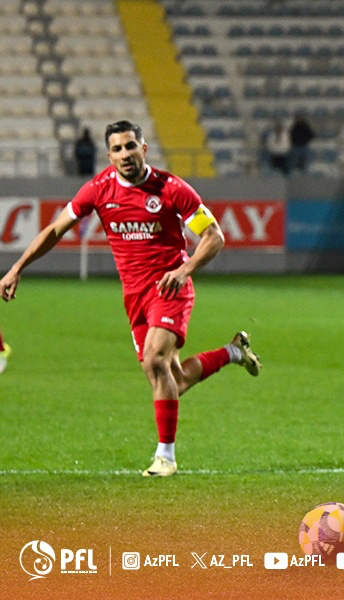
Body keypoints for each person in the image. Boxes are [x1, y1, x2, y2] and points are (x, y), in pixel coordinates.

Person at [0, 120, 261, 477]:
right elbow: (55, 229)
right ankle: (233, 352)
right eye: (117, 149)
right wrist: (17, 267)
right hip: (134, 297)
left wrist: (184, 270)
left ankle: (165, 457)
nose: (125, 154)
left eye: (130, 146)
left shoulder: (171, 188)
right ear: (108, 155)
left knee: (154, 359)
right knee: (172, 380)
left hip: (170, 288)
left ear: (144, 149)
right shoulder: (99, 189)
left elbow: (214, 236)